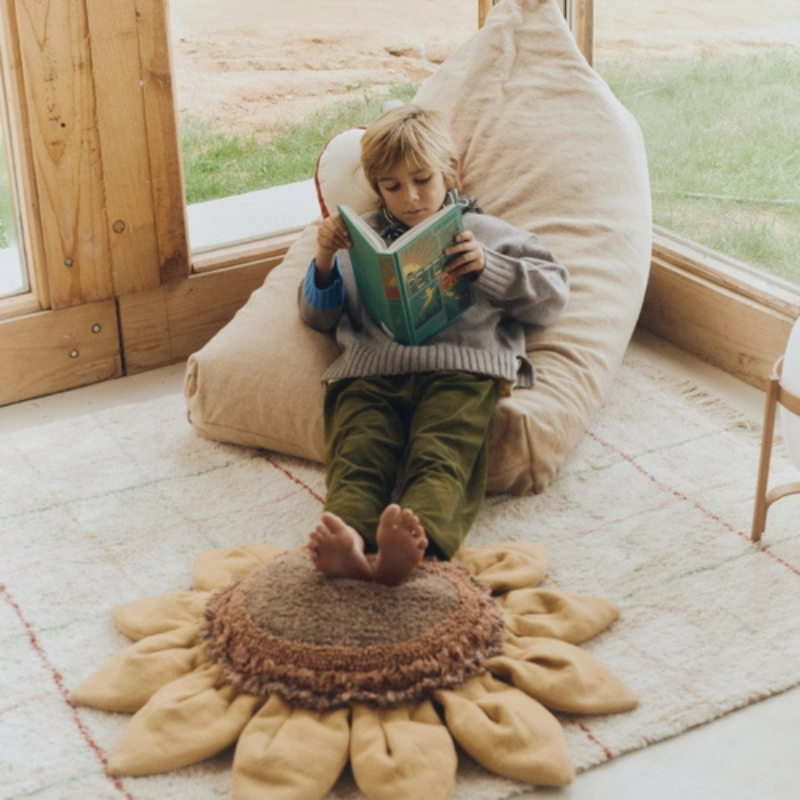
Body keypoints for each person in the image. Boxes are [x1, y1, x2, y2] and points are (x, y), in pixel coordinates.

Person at [298, 103, 568, 586]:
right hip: (371, 369)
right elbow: (316, 317)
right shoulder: (363, 238)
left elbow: (552, 296)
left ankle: (416, 544)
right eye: (392, 186)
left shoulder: (486, 233)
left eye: (423, 179)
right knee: (357, 448)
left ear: (451, 173)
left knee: (443, 451)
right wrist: (324, 256)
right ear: (377, 187)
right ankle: (350, 540)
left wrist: (489, 268)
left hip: (460, 368)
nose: (411, 197)